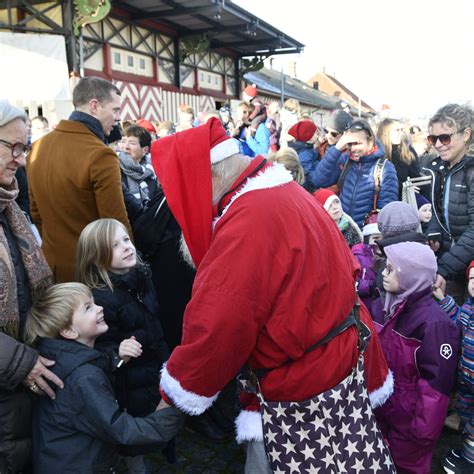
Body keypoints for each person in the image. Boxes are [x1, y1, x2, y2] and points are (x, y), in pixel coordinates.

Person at [150, 118, 393, 472]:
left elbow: (218, 327)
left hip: (300, 385)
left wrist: (170, 401)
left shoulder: (248, 221)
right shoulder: (284, 190)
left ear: (203, 178)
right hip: (338, 360)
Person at [25, 282, 184, 473]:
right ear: (69, 331)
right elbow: (121, 431)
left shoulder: (59, 358)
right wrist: (174, 410)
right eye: (88, 307)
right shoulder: (83, 378)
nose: (99, 308)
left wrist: (117, 358)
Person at [75, 218, 170, 470]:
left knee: (155, 419)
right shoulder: (101, 298)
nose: (126, 247)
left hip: (153, 366)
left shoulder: (141, 277)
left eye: (126, 239)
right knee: (133, 441)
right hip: (127, 383)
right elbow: (93, 348)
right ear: (97, 257)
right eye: (115, 245)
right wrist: (116, 352)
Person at [0, 101, 63, 473]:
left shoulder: (10, 207)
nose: (21, 160)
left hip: (18, 392)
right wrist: (20, 362)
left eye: (25, 147)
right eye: (13, 147)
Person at [27, 76, 132, 282]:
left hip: (52, 267)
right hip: (92, 272)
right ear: (95, 106)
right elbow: (115, 223)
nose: (119, 118)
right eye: (115, 110)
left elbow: (36, 213)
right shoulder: (100, 154)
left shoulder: (38, 147)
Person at [370, 242, 459, 473]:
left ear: (412, 274)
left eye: (391, 269)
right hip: (382, 412)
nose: (384, 274)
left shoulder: (434, 324)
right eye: (385, 267)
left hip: (411, 424)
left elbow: (436, 387)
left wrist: (423, 431)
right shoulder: (381, 306)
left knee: (408, 468)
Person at [423, 103, 473, 303]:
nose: (437, 144)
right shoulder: (440, 168)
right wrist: (434, 231)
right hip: (450, 262)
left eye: (444, 137)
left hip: (467, 270)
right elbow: (438, 209)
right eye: (433, 138)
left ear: (466, 134)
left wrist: (444, 268)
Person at [314, 119, 399, 227]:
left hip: (367, 234)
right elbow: (318, 180)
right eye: (349, 144)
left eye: (357, 143)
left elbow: (386, 211)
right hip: (344, 230)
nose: (353, 148)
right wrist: (336, 149)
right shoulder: (345, 160)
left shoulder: (385, 168)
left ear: (371, 141)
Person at [434, 261, 474, 472]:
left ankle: (469, 462)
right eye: (472, 278)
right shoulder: (469, 306)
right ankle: (468, 448)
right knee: (466, 416)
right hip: (466, 379)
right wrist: (442, 298)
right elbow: (458, 320)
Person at [377, 118, 421, 199]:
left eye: (401, 130)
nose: (401, 133)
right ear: (386, 133)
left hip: (404, 200)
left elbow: (416, 178)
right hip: (382, 200)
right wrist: (402, 186)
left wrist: (409, 188)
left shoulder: (408, 151)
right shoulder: (376, 153)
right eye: (397, 130)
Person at [119, 125, 157, 209]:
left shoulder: (152, 172)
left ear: (145, 150)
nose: (126, 147)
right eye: (123, 141)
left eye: (132, 143)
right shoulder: (114, 169)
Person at [287, 120, 318, 191]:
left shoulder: (305, 148)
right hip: (308, 189)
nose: (317, 135)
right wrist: (318, 163)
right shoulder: (305, 154)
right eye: (315, 133)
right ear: (308, 137)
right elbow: (310, 176)